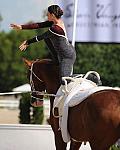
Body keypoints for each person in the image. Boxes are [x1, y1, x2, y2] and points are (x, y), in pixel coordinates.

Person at [10, 5, 76, 85]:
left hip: (67, 56)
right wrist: (21, 27)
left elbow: (41, 37)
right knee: (47, 39)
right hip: (62, 53)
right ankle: (56, 60)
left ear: (52, 15)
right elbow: (39, 25)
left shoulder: (56, 28)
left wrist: (28, 42)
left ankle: (82, 78)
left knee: (64, 81)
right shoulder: (53, 22)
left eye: (48, 14)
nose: (46, 15)